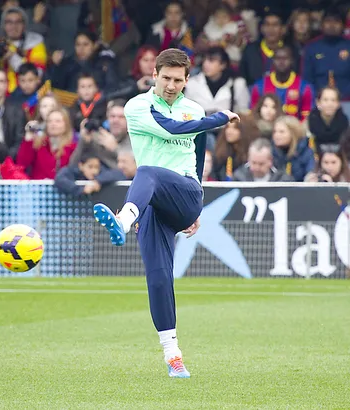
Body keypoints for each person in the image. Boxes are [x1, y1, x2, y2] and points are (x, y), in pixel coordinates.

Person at [92, 49, 239, 378]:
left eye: (178, 80)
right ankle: (173, 357)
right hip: (154, 202)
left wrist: (197, 201)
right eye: (166, 78)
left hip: (185, 192)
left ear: (187, 81)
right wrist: (220, 117)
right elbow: (172, 129)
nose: (171, 85)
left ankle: (123, 220)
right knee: (158, 277)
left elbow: (198, 152)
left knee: (147, 171)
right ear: (154, 76)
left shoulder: (194, 109)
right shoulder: (138, 106)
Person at [250, 45, 313, 121]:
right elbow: (254, 115)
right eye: (278, 58)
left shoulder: (304, 87)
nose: (281, 62)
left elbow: (306, 119)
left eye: (285, 58)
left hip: (294, 130)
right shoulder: (259, 86)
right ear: (272, 61)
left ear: (292, 61)